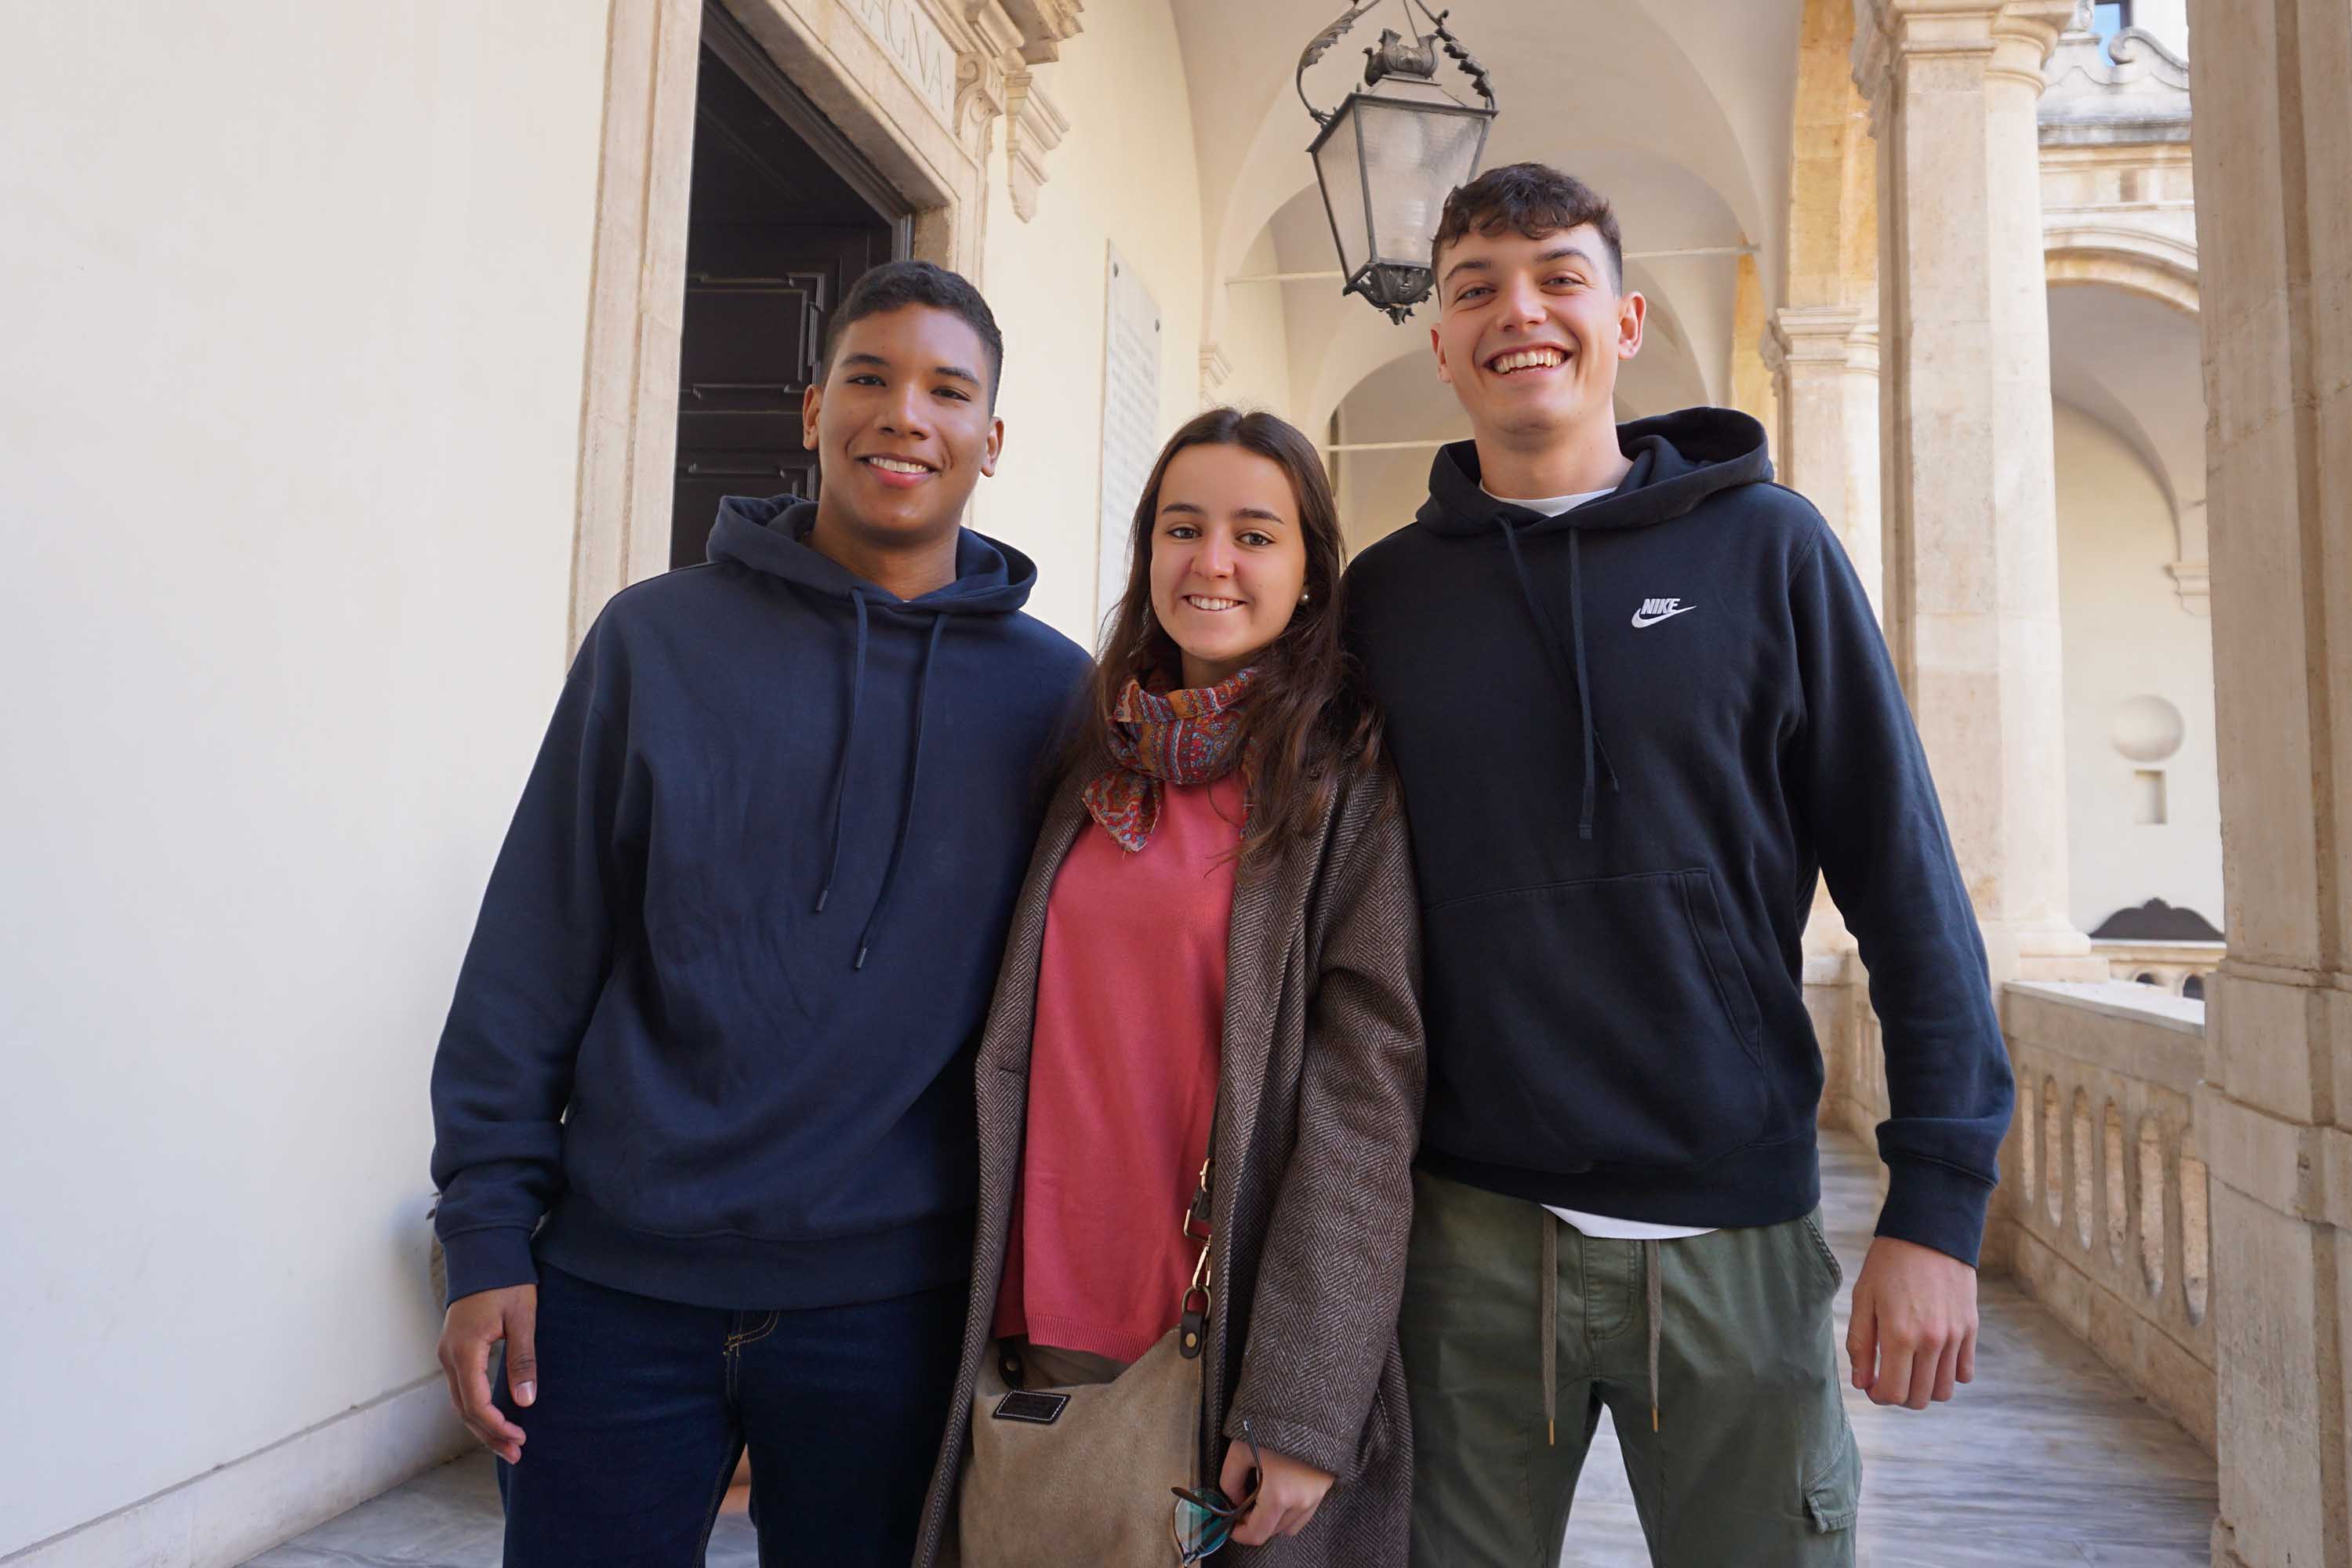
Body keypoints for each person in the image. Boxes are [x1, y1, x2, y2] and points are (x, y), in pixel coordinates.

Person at [1345, 162, 2013, 1566]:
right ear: (1441, 343)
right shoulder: (1387, 600)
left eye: (1557, 279)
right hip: (1465, 1237)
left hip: (1734, 1230)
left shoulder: (1770, 550)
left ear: (1627, 319)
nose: (1518, 313)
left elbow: (1906, 882)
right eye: (1476, 289)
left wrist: (1938, 1206)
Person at [425, 259, 1090, 1566]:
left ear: (992, 441)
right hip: (617, 1291)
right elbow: (533, 951)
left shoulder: (1054, 699)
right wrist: (485, 1232)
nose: (906, 414)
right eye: (870, 378)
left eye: (948, 390)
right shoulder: (653, 641)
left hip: (890, 1308)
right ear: (810, 411)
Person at [911, 408, 1425, 1566]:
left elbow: (1366, 1104)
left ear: (1309, 575)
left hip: (1218, 1339)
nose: (1214, 562)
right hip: (1037, 1324)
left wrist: (1301, 1403)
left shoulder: (1339, 785)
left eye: (1256, 534)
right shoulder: (1094, 757)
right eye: (1183, 528)